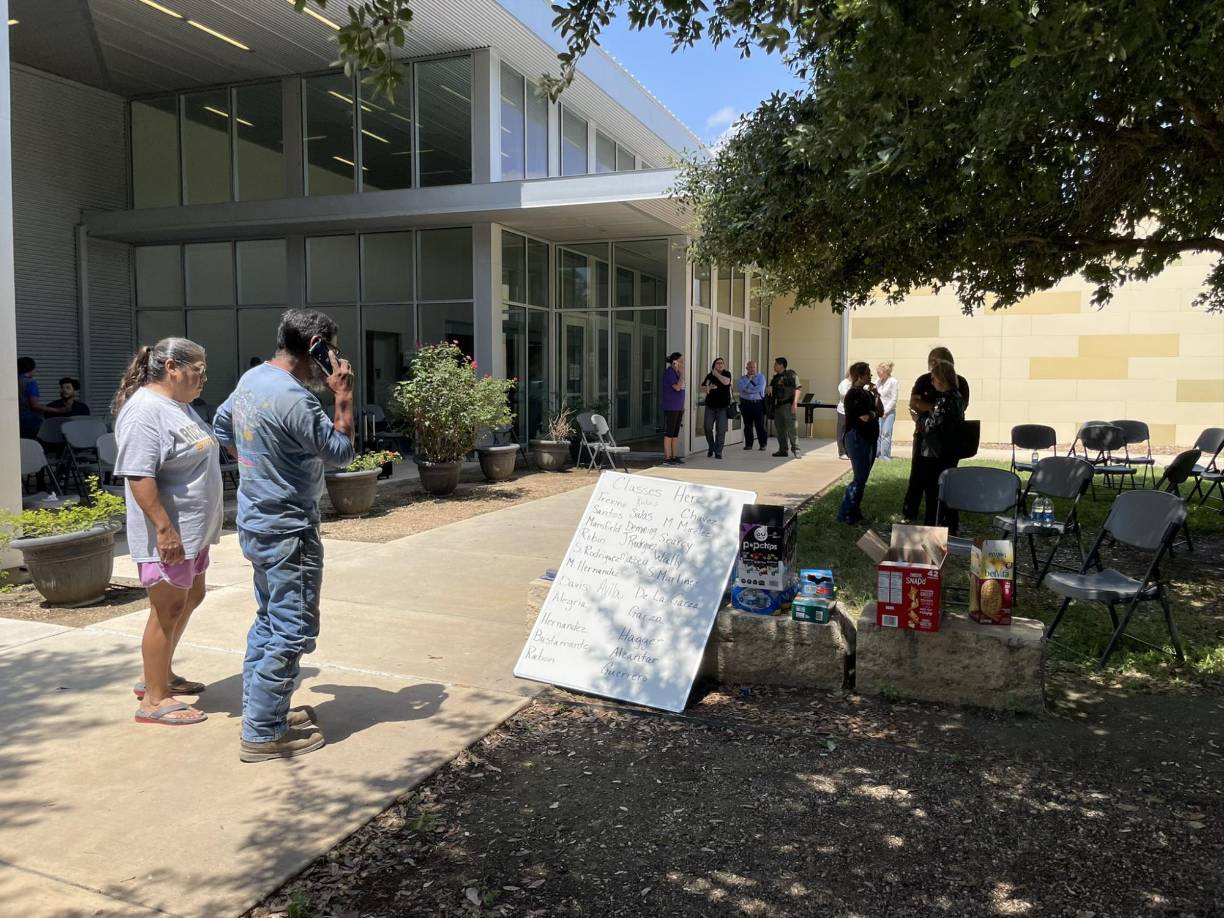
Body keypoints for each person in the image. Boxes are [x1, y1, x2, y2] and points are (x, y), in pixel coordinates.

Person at [214, 309, 355, 763]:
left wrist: (258, 463)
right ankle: (262, 732)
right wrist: (343, 398)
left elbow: (220, 425)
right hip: (289, 528)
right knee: (292, 630)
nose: (333, 358)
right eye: (330, 348)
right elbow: (339, 454)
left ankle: (264, 712)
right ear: (316, 346)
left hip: (256, 520)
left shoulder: (252, 379)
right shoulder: (298, 400)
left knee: (270, 620)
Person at [112, 339, 223, 726]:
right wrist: (164, 528)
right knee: (167, 608)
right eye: (199, 370)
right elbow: (139, 474)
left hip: (193, 532)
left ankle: (161, 675)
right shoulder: (144, 411)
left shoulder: (178, 406)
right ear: (173, 366)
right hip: (169, 535)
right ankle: (153, 699)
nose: (203, 378)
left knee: (192, 596)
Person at [902, 347, 972, 526]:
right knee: (923, 479)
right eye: (930, 361)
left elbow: (933, 423)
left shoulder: (947, 398)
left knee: (934, 487)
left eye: (937, 361)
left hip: (937, 449)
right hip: (938, 445)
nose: (932, 367)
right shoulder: (952, 395)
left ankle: (933, 524)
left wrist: (920, 416)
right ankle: (945, 522)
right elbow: (915, 401)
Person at [919, 360, 968, 532]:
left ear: (941, 379)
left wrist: (920, 419)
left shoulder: (943, 400)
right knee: (949, 488)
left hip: (935, 453)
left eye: (933, 379)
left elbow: (931, 426)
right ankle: (951, 525)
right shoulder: (958, 397)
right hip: (951, 450)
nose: (931, 382)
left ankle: (932, 527)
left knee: (933, 492)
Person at [837, 362, 884, 525]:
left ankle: (855, 511)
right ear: (859, 376)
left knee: (863, 478)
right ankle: (846, 514)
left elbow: (881, 411)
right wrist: (873, 413)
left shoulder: (868, 394)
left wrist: (877, 395)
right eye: (867, 374)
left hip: (870, 438)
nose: (870, 377)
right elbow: (865, 417)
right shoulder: (853, 394)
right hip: (857, 438)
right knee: (859, 477)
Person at [16, 357, 68, 439]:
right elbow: (34, 406)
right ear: (32, 369)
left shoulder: (13, 380)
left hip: (16, 421)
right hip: (30, 421)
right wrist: (58, 410)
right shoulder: (31, 383)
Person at [768, 357, 802, 458]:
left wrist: (795, 403)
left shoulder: (791, 374)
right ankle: (783, 450)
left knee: (792, 429)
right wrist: (769, 388)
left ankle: (796, 450)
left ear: (782, 365)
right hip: (778, 406)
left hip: (788, 405)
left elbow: (798, 388)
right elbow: (771, 391)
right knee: (780, 430)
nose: (774, 366)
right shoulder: (775, 378)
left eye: (776, 364)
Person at [700, 357, 732, 459]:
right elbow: (702, 387)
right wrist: (709, 387)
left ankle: (718, 452)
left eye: (722, 363)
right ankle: (711, 447)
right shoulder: (710, 376)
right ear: (714, 365)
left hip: (722, 407)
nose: (720, 365)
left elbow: (726, 382)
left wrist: (717, 374)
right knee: (707, 427)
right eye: (718, 363)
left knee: (721, 430)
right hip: (710, 406)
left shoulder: (727, 373)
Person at [661, 352, 686, 466]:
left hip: (679, 407)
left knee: (675, 433)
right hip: (671, 406)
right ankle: (667, 457)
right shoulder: (670, 373)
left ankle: (674, 456)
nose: (682, 363)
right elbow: (677, 387)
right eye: (680, 361)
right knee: (669, 432)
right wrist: (681, 374)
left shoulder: (677, 373)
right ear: (674, 362)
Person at [738, 360, 768, 451]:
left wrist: (748, 390)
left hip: (758, 404)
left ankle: (762, 444)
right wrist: (749, 381)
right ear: (746, 368)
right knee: (747, 425)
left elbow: (760, 388)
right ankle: (748, 445)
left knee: (760, 425)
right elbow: (741, 389)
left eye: (754, 367)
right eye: (750, 367)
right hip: (746, 404)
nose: (752, 369)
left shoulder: (761, 377)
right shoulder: (742, 379)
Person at [875, 361, 898, 460]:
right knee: (878, 433)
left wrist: (886, 411)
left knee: (886, 433)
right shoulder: (878, 381)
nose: (877, 373)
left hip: (889, 413)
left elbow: (894, 399)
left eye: (879, 371)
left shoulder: (893, 381)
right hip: (878, 412)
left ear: (885, 371)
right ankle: (877, 454)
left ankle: (885, 456)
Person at [834, 372, 852, 459]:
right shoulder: (844, 383)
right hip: (843, 411)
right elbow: (844, 394)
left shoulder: (854, 383)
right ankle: (842, 452)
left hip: (852, 412)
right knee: (841, 433)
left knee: (849, 433)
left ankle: (848, 451)